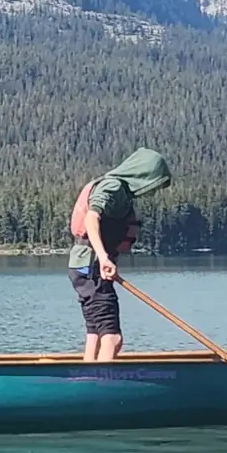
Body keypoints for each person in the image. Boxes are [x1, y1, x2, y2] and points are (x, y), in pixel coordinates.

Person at [67, 147, 172, 361]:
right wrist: (104, 257)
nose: (152, 191)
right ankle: (100, 388)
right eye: (154, 183)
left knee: (95, 332)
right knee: (112, 337)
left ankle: (88, 381)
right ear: (143, 175)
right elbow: (91, 218)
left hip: (82, 267)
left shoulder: (116, 188)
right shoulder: (113, 187)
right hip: (93, 265)